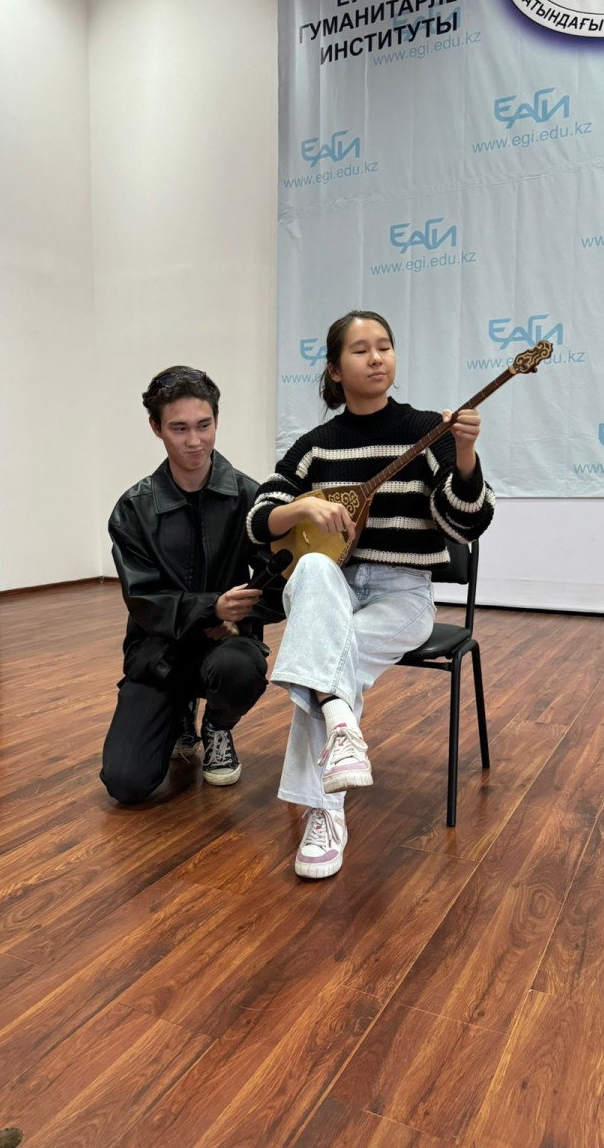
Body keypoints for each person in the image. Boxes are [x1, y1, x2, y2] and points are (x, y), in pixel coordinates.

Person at [247, 311, 495, 878]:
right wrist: (303, 509)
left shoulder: (428, 431)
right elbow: (259, 519)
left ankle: (326, 802)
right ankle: (339, 733)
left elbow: (466, 524)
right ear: (335, 370)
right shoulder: (315, 447)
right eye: (360, 350)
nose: (376, 357)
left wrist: (463, 455)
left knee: (325, 656)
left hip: (401, 595)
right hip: (329, 590)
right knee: (312, 568)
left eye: (384, 346)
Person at [101, 366, 283, 804]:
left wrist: (240, 617)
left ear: (217, 420)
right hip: (158, 655)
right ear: (156, 427)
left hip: (228, 648)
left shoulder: (250, 498)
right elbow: (144, 600)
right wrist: (212, 607)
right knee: (126, 783)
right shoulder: (133, 509)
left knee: (239, 668)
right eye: (179, 428)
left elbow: (279, 582)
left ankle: (217, 726)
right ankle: (178, 710)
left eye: (204, 425)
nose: (195, 441)